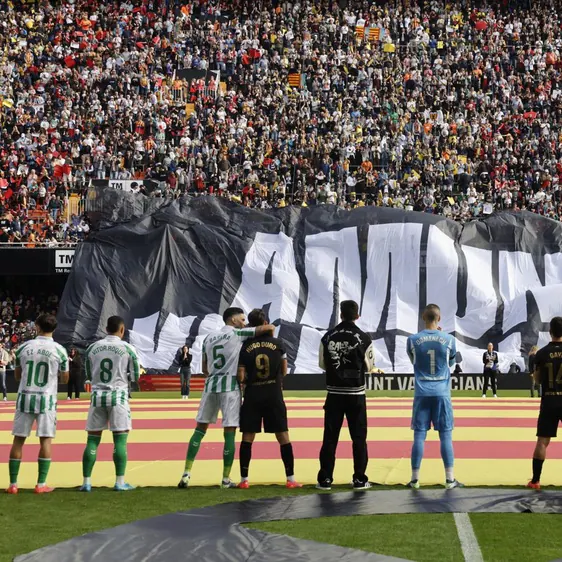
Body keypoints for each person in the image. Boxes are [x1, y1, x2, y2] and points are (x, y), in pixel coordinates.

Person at [178, 308, 275, 489]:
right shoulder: (238, 333)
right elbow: (268, 328)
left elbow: (205, 368)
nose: (245, 322)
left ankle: (186, 473)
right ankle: (225, 478)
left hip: (210, 386)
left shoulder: (208, 338)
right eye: (242, 319)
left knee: (200, 429)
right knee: (229, 432)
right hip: (229, 386)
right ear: (232, 319)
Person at [236, 309, 301, 489]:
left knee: (247, 437)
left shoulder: (245, 346)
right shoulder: (278, 343)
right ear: (265, 321)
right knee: (283, 437)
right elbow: (285, 371)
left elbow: (240, 376)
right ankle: (291, 479)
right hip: (273, 394)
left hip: (252, 395)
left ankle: (244, 480)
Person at [6, 314, 69, 494]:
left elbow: (17, 376)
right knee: (45, 440)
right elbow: (65, 378)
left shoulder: (24, 348)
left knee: (18, 440)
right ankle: (41, 484)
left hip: (25, 396)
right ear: (54, 329)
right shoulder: (59, 350)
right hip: (46, 398)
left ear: (37, 327)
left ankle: (13, 484)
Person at [317, 300, 375, 491]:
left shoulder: (327, 337)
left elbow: (322, 365)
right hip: (356, 395)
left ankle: (325, 479)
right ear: (357, 315)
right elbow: (369, 367)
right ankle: (359, 478)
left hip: (333, 394)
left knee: (330, 438)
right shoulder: (364, 338)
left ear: (340, 314)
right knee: (359, 438)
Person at [80, 316, 140, 492]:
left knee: (92, 440)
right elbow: (136, 376)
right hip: (118, 396)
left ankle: (86, 482)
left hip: (97, 395)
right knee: (120, 440)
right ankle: (120, 482)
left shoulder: (93, 348)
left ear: (106, 328)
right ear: (122, 330)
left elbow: (88, 374)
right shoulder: (128, 348)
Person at [406, 304, 462, 489]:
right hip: (442, 393)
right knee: (445, 435)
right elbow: (451, 362)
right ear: (439, 317)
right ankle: (450, 479)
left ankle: (414, 479)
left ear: (423, 316)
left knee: (419, 436)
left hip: (422, 392)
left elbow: (413, 360)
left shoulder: (412, 340)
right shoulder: (449, 339)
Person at [527, 317, 562, 489]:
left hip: (549, 400)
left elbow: (538, 380)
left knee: (542, 441)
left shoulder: (541, 353)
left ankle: (535, 480)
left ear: (550, 332)